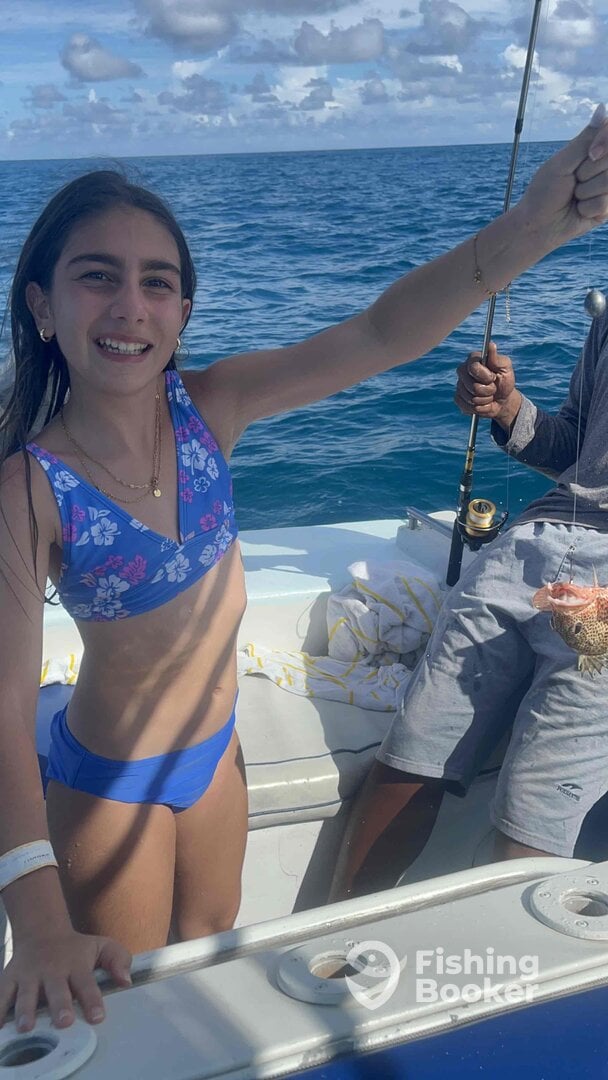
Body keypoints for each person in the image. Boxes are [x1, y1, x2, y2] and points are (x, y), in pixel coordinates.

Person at [1, 111, 608, 1038]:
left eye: (157, 281)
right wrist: (39, 925)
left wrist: (535, 225)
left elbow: (382, 331)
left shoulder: (212, 408)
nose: (129, 306)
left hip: (217, 760)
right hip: (112, 784)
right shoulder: (28, 489)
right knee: (130, 1013)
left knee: (210, 965)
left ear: (184, 311)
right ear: (42, 306)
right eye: (96, 276)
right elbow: (5, 710)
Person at [328, 265, 608, 905]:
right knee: (412, 752)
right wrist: (509, 409)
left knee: (533, 810)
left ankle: (510, 958)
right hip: (531, 544)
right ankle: (332, 936)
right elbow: (577, 447)